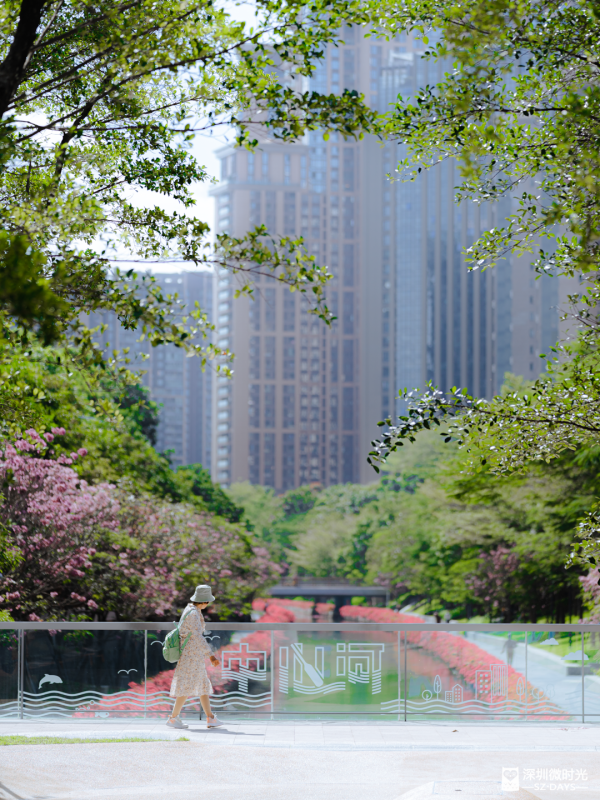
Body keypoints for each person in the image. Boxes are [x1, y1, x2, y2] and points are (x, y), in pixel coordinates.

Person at [167, 584, 223, 729]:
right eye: (208, 601)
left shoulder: (191, 610)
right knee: (187, 687)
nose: (208, 604)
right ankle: (173, 718)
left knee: (202, 685)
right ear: (204, 601)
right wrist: (211, 655)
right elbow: (198, 637)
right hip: (190, 656)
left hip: (192, 655)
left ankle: (210, 718)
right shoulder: (193, 614)